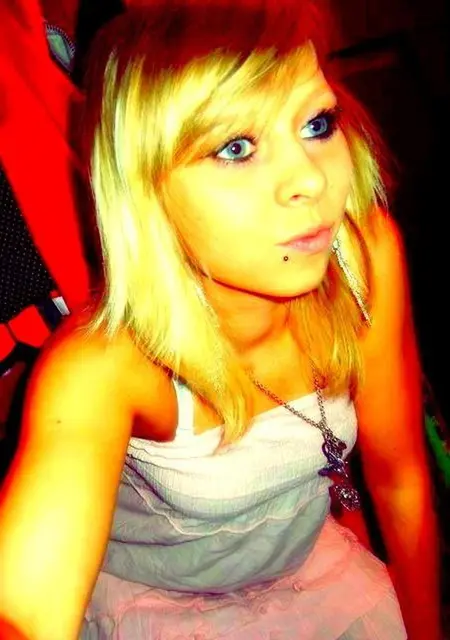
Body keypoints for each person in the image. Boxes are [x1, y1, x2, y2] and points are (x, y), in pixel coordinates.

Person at [0, 0, 441, 638]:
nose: (309, 181)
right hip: (155, 605)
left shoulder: (361, 254)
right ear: (143, 189)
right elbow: (24, 610)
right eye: (236, 147)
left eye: (316, 124)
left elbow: (401, 481)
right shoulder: (104, 363)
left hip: (306, 575)